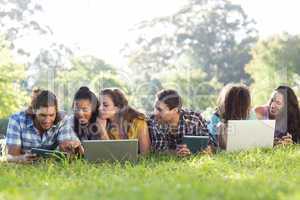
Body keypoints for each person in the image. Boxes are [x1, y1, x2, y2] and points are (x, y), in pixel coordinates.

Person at [5, 90, 83, 163]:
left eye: (51, 115)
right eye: (42, 115)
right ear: (34, 111)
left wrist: (73, 147)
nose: (47, 120)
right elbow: (11, 157)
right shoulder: (17, 120)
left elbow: (68, 154)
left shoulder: (62, 119)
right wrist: (21, 159)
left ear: (56, 111)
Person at [148, 89, 209, 156]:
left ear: (175, 110)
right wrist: (176, 153)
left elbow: (210, 146)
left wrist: (197, 151)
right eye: (155, 108)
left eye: (160, 110)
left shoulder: (194, 120)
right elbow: (157, 150)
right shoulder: (154, 121)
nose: (155, 113)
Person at [97, 88, 150, 154]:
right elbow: (108, 156)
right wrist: (102, 131)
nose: (100, 108)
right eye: (99, 104)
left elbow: (145, 154)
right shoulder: (101, 123)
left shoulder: (138, 122)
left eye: (105, 105)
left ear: (117, 108)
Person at [207, 84, 256, 149]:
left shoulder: (250, 115)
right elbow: (212, 143)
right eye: (238, 104)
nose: (240, 108)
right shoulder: (216, 119)